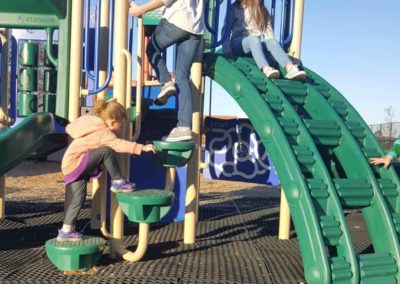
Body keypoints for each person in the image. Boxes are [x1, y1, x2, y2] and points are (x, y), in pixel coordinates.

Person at [57, 99, 157, 241]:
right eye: (120, 127)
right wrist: (142, 147)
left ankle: (66, 230)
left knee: (78, 198)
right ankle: (118, 182)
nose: (121, 130)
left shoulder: (90, 124)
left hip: (69, 165)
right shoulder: (104, 132)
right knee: (106, 151)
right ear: (111, 122)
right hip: (76, 162)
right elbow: (118, 144)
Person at [129, 0, 204, 142]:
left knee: (152, 49)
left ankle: (165, 83)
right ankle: (184, 127)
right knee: (182, 76)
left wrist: (140, 10)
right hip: (196, 29)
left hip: (177, 20)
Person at [221, 0, 306, 80]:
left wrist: (273, 51)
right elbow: (225, 32)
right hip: (238, 44)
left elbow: (269, 36)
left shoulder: (262, 11)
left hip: (255, 45)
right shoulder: (234, 8)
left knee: (271, 42)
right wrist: (227, 51)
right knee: (253, 39)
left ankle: (290, 67)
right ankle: (266, 68)